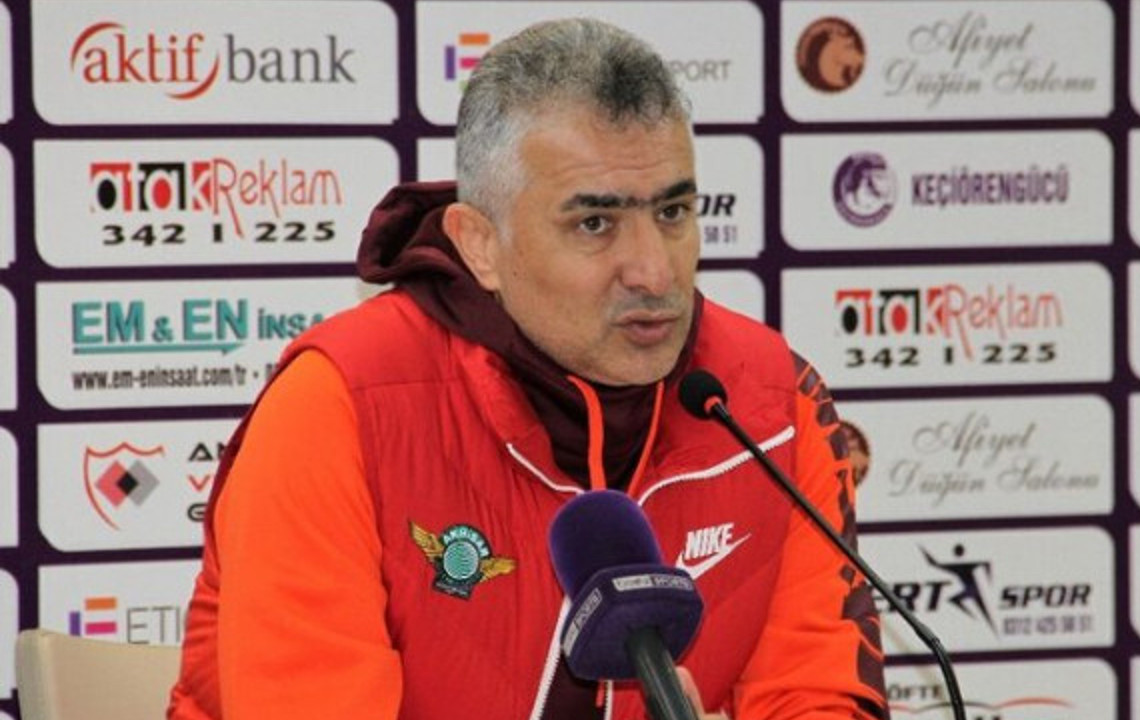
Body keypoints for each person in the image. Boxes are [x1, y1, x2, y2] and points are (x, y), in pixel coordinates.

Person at [168, 17, 888, 720]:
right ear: (481, 244)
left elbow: (818, 696)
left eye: (673, 212)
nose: (654, 270)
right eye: (594, 224)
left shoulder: (769, 405)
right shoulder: (341, 406)